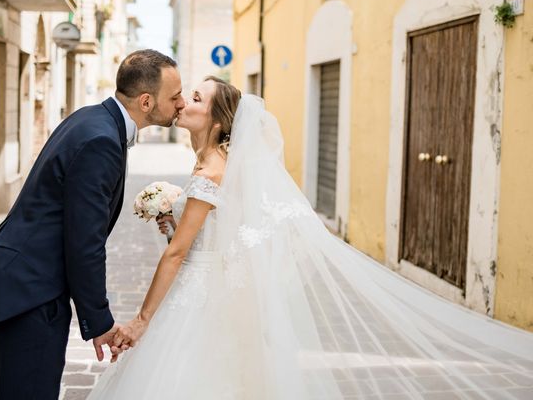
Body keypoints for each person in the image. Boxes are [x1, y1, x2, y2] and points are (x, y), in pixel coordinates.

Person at [89, 76, 533, 399]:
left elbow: (177, 255)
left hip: (193, 296)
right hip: (211, 290)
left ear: (219, 120)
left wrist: (143, 319)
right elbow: (224, 231)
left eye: (197, 97)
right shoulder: (218, 164)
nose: (184, 101)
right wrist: (178, 215)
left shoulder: (210, 170)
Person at [0, 49, 185, 399]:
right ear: (146, 101)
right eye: (175, 96)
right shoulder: (102, 140)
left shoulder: (91, 119)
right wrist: (100, 321)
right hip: (31, 287)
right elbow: (84, 241)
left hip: (20, 277)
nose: (181, 103)